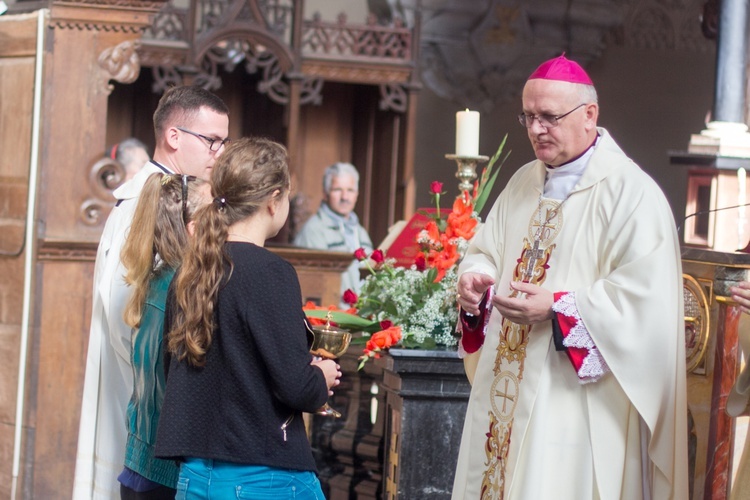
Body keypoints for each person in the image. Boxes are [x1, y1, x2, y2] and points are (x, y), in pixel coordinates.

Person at [452, 54, 688, 499]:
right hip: (505, 386)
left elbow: (646, 306)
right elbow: (486, 249)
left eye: (549, 117)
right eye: (529, 116)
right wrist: (475, 279)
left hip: (575, 406)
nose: (536, 129)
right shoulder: (523, 181)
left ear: (589, 116)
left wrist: (558, 308)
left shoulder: (632, 194)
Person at [154, 137, 341, 498]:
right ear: (274, 199)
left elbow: (172, 372)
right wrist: (320, 376)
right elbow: (295, 386)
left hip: (195, 476)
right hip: (262, 475)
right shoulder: (271, 272)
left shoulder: (189, 271)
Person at [73, 85, 230, 500]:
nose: (220, 152)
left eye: (224, 142)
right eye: (212, 140)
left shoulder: (189, 196)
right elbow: (124, 312)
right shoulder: (144, 203)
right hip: (145, 396)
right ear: (174, 136)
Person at [118, 173, 208, 499]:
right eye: (219, 209)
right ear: (195, 228)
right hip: (165, 472)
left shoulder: (160, 274)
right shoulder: (187, 288)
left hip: (139, 461)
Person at [293, 162, 373, 301]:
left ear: (357, 194)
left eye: (350, 190)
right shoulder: (314, 230)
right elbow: (311, 283)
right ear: (325, 193)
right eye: (337, 190)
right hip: (332, 313)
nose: (345, 197)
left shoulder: (360, 231)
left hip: (361, 312)